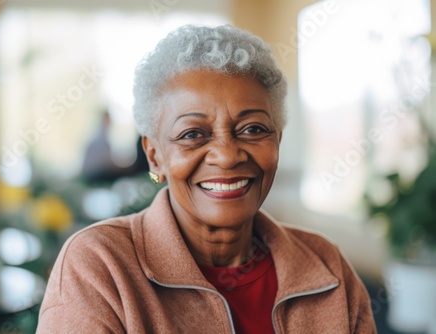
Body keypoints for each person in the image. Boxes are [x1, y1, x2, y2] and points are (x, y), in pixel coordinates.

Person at [37, 25, 376, 333]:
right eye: (192, 134)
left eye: (253, 129)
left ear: (278, 141)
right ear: (154, 155)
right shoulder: (99, 266)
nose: (227, 156)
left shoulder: (327, 265)